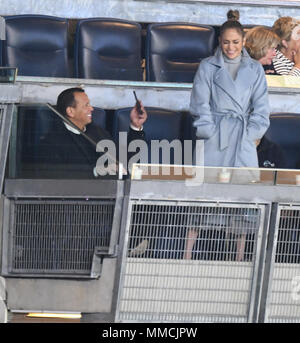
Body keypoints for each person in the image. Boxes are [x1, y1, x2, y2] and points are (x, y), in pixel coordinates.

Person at [185, 10, 270, 261]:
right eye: (226, 42)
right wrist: (209, 132)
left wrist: (251, 135)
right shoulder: (207, 66)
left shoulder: (255, 69)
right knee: (203, 195)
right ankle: (187, 255)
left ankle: (240, 258)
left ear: (243, 41)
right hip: (215, 138)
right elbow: (199, 104)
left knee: (242, 197)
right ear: (219, 42)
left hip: (242, 138)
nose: (230, 47)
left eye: (235, 42)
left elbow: (262, 108)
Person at [39, 87, 147, 178]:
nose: (91, 109)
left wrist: (135, 126)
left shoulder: (98, 132)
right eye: (86, 105)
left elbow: (124, 161)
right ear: (70, 111)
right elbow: (57, 177)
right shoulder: (52, 142)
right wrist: (95, 172)